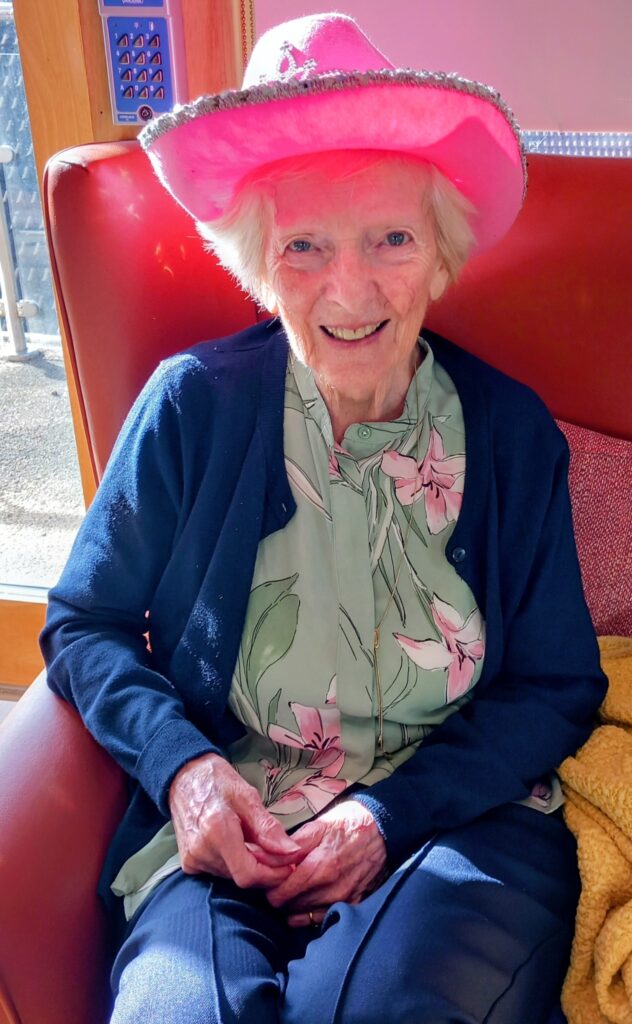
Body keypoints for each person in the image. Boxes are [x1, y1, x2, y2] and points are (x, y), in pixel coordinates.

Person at [41, 12, 607, 1024]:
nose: (348, 289)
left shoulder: (511, 435)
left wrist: (387, 815)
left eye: (390, 237)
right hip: (226, 830)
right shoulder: (190, 407)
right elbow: (82, 621)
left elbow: (558, 684)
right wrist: (187, 771)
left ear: (440, 249)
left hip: (454, 821)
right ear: (258, 259)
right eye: (302, 245)